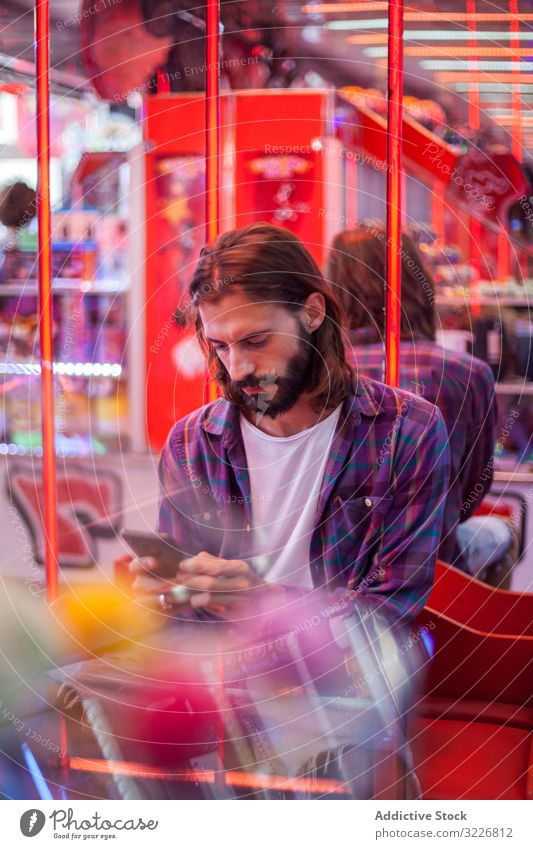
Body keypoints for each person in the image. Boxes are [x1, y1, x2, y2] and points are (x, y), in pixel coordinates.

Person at [132, 223, 450, 638]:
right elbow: (182, 613)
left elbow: (388, 614)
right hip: (219, 678)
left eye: (257, 340)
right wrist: (162, 597)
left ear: (313, 312)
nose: (238, 368)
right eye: (220, 347)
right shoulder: (191, 443)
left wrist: (266, 603)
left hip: (347, 691)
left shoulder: (407, 431)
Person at [326, 226, 510, 577]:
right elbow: (472, 489)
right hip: (434, 569)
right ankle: (474, 627)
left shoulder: (320, 370)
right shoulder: (466, 372)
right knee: (505, 531)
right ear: (417, 282)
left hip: (334, 571)